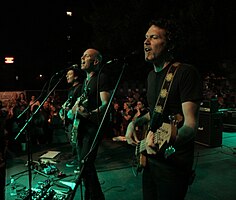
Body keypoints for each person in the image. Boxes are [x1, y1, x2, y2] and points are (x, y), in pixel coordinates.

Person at [125, 18, 202, 200]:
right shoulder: (151, 76)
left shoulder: (186, 73)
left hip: (173, 165)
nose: (146, 42)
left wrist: (171, 138)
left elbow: (190, 125)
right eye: (145, 37)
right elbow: (155, 112)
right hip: (150, 161)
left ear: (169, 45)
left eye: (153, 37)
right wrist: (134, 122)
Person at [67, 48, 111, 200]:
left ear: (96, 61)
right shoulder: (85, 82)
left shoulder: (101, 78)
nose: (82, 57)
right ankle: (92, 196)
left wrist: (90, 114)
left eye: (86, 55)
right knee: (83, 165)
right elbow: (79, 105)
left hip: (92, 127)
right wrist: (73, 111)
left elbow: (106, 103)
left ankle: (96, 197)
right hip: (82, 127)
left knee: (86, 163)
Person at [58, 68, 84, 168]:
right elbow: (68, 103)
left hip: (76, 120)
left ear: (76, 76)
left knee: (77, 141)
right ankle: (76, 159)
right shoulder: (70, 89)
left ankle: (80, 162)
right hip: (69, 120)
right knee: (73, 141)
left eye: (69, 74)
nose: (66, 76)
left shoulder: (80, 88)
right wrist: (62, 111)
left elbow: (79, 104)